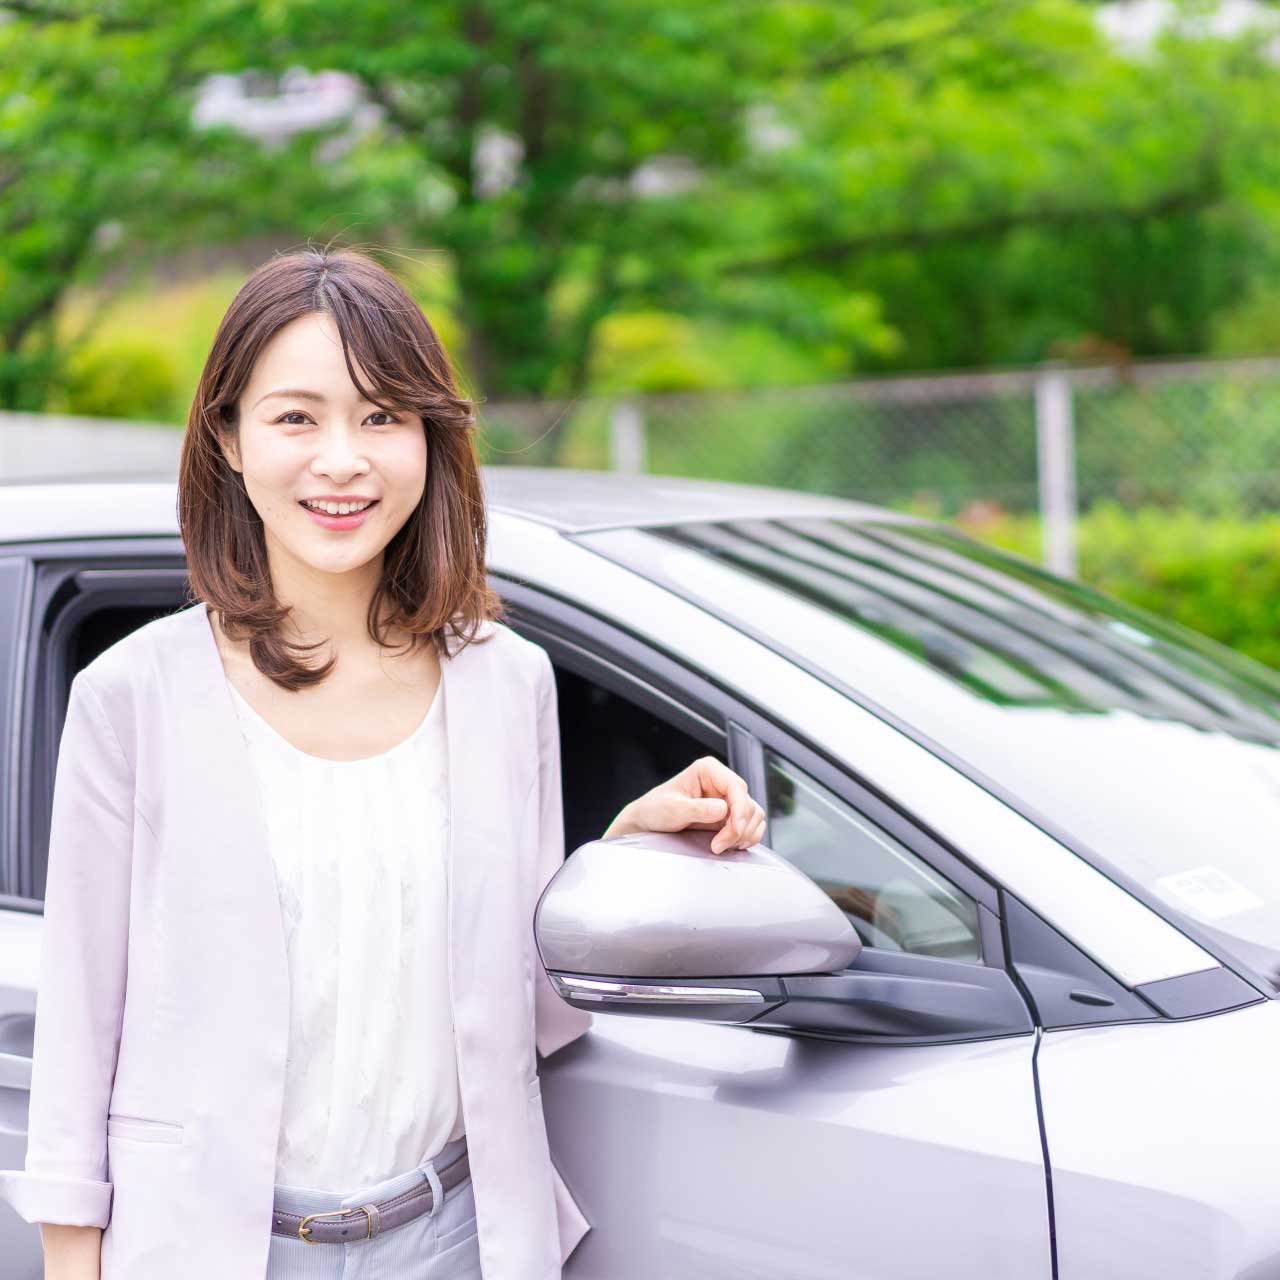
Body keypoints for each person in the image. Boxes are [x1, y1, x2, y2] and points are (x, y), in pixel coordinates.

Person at [0, 245, 766, 1280]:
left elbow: (526, 1008)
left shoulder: (506, 683)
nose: (342, 459)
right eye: (295, 417)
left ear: (427, 437)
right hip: (210, 1247)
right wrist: (72, 1260)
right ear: (226, 436)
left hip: (452, 1237)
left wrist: (626, 853)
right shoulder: (132, 696)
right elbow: (81, 1026)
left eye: (380, 416)